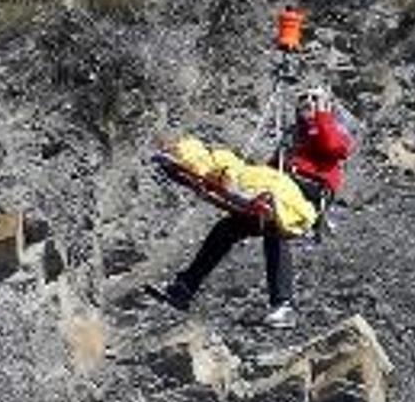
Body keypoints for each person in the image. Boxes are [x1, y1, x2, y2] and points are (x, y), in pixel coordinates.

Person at [147, 86, 353, 328]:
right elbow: (271, 170)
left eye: (314, 99)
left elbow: (335, 148)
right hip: (279, 190)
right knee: (227, 228)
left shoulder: (333, 128)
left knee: (275, 228)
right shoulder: (294, 136)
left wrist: (322, 116)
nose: (307, 103)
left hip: (307, 193)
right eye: (303, 100)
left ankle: (284, 306)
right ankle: (184, 288)